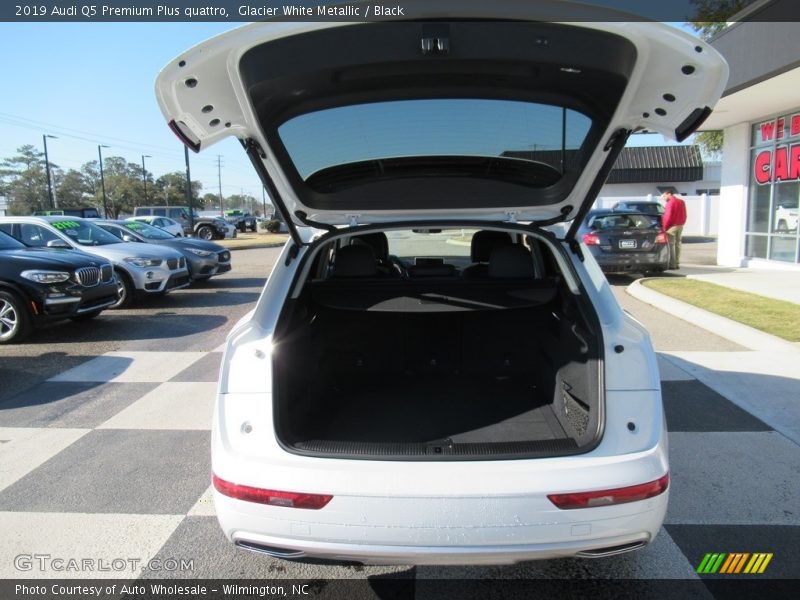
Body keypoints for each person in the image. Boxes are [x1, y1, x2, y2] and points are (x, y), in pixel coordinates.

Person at [661, 190, 687, 270]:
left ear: (669, 194)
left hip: (672, 226)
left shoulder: (670, 203)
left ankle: (672, 264)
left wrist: (664, 227)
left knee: (671, 245)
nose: (664, 198)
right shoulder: (681, 202)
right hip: (680, 225)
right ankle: (677, 263)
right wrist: (682, 222)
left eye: (664, 196)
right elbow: (685, 214)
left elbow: (668, 217)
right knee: (678, 244)